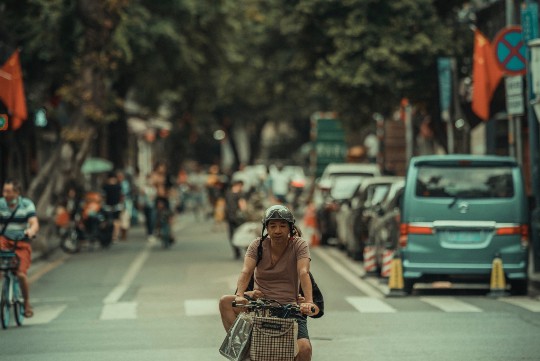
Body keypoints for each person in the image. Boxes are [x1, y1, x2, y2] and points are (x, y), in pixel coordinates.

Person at [219, 205, 320, 361]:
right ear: (266, 228)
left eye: (282, 226)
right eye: (272, 226)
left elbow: (303, 272)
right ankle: (244, 351)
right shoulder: (257, 245)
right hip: (260, 305)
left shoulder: (299, 245)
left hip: (289, 307)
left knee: (305, 349)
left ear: (290, 228)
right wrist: (240, 295)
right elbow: (246, 271)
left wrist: (308, 302)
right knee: (225, 301)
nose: (277, 230)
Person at [0, 179, 39, 318]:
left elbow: (34, 223)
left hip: (21, 243)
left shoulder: (26, 204)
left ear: (17, 192)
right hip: (4, 240)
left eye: (8, 191)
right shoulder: (1, 204)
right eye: (4, 191)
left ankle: (26, 303)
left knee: (21, 274)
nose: (5, 194)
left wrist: (31, 231)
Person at [224, 178, 248, 259]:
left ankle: (236, 252)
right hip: (238, 218)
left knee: (232, 235)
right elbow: (242, 205)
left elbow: (226, 205)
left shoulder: (228, 193)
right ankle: (247, 251)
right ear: (239, 185)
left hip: (229, 217)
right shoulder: (240, 194)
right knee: (243, 233)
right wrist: (246, 213)